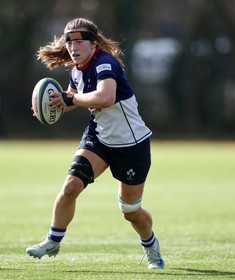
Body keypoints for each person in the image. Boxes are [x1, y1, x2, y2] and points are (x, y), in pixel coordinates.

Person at [26, 18, 164, 270]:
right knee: (70, 186)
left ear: (93, 44)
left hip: (131, 145)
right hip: (99, 138)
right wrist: (51, 104)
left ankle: (150, 245)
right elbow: (71, 99)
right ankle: (53, 240)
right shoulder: (76, 69)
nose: (73, 47)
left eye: (79, 42)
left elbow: (106, 97)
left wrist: (73, 98)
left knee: (130, 212)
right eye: (69, 42)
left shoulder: (105, 63)